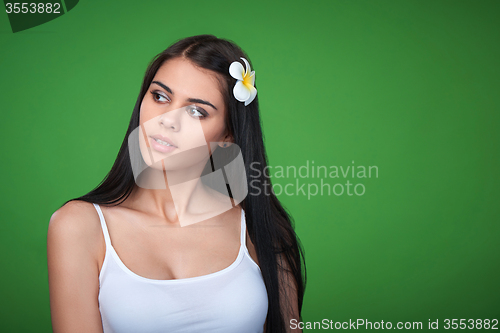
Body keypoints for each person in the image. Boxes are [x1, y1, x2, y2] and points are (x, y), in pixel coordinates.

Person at [47, 34, 306, 333]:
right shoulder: (79, 226)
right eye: (160, 96)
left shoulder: (262, 229)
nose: (168, 119)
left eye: (197, 111)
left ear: (227, 136)